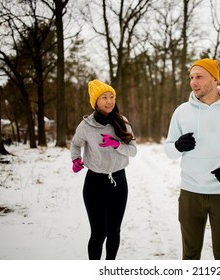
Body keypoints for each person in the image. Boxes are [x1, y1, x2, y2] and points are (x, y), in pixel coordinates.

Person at [164, 58, 220, 260]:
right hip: (190, 192)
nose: (193, 82)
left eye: (199, 77)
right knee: (190, 255)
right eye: (191, 77)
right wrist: (177, 146)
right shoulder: (182, 111)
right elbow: (168, 149)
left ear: (214, 79)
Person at [70, 79, 137, 260]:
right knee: (99, 233)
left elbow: (133, 150)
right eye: (104, 97)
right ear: (95, 102)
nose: (109, 101)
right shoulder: (86, 126)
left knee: (114, 232)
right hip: (95, 183)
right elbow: (75, 144)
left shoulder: (122, 122)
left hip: (119, 182)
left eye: (112, 97)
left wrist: (116, 144)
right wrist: (75, 159)